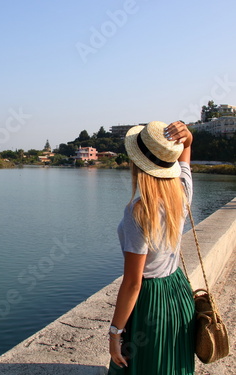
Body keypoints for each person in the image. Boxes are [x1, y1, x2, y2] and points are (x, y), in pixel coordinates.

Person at [108, 120, 195, 375]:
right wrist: (187, 139)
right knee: (169, 361)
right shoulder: (182, 191)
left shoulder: (139, 212)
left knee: (144, 365)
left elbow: (133, 283)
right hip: (178, 290)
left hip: (150, 300)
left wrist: (115, 334)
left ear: (137, 163)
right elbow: (186, 159)